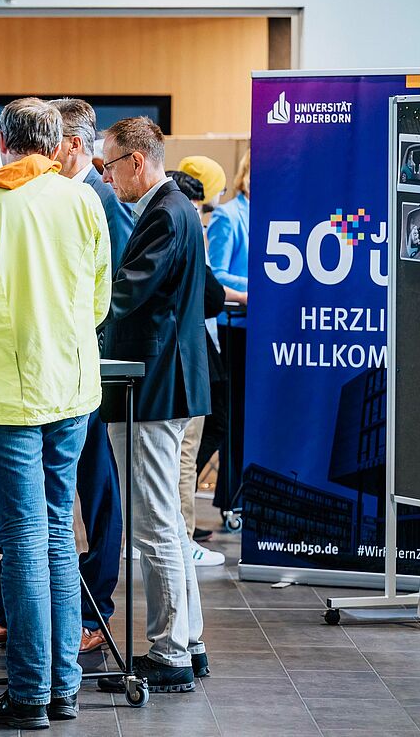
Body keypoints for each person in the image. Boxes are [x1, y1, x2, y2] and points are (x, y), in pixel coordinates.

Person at [0, 98, 111, 728]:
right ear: (57, 142)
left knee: (22, 543)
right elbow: (97, 300)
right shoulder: (82, 198)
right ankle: (63, 687)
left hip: (4, 394)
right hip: (70, 388)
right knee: (60, 532)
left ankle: (31, 692)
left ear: (2, 140)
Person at [97, 116, 212, 694]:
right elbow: (209, 293)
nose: (108, 178)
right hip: (167, 380)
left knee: (153, 524)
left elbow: (126, 294)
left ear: (136, 161)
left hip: (153, 384)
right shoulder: (179, 211)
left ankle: (168, 653)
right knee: (163, 517)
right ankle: (187, 641)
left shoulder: (164, 213)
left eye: (109, 166)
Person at [168, 171, 227, 567]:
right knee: (184, 452)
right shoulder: (182, 229)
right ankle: (181, 538)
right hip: (185, 358)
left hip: (179, 358)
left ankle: (175, 534)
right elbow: (213, 297)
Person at [205, 151, 250, 519]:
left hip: (263, 330)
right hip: (235, 326)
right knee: (232, 418)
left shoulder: (273, 216)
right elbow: (216, 273)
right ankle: (232, 499)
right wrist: (261, 287)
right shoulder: (228, 215)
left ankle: (237, 496)